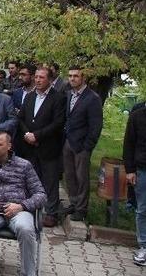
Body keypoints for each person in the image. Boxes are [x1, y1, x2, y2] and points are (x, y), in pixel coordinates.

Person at [0, 130, 45, 276]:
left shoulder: (24, 166)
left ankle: (28, 273)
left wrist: (22, 206)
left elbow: (41, 194)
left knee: (26, 229)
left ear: (9, 146)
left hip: (19, 210)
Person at [17, 66, 67, 227]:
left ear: (50, 80)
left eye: (42, 77)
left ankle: (51, 212)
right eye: (36, 77)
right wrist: (26, 134)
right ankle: (31, 209)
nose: (38, 80)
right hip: (29, 147)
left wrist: (37, 135)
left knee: (50, 181)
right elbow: (21, 118)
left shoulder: (58, 98)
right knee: (31, 179)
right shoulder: (30, 97)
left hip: (48, 146)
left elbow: (58, 123)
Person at [62, 66, 103, 222]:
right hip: (68, 142)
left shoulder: (92, 98)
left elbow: (96, 125)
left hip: (82, 145)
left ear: (83, 78)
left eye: (76, 76)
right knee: (70, 175)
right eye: (70, 75)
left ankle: (81, 208)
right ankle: (73, 203)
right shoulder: (69, 95)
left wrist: (88, 146)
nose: (72, 79)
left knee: (82, 177)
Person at [124, 106, 146, 266]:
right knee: (143, 209)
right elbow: (128, 144)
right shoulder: (137, 116)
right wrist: (130, 170)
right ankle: (144, 246)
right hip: (142, 169)